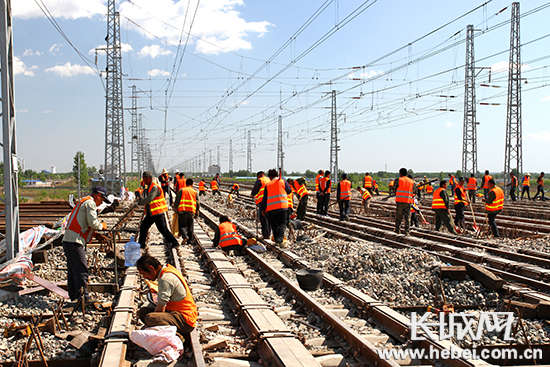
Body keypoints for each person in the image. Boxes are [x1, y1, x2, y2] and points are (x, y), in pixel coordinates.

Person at [62, 186, 109, 302]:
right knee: (81, 270)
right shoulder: (90, 203)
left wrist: (96, 236)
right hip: (75, 241)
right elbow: (93, 223)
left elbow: (82, 225)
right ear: (98, 195)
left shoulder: (84, 202)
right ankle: (83, 298)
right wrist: (102, 226)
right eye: (102, 200)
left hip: (69, 240)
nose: (101, 203)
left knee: (73, 270)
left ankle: (74, 296)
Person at [136, 254, 197, 341]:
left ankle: (177, 335)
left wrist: (150, 324)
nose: (145, 277)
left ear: (151, 268)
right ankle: (169, 329)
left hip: (185, 320)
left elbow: (161, 308)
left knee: (150, 318)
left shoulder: (165, 279)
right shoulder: (167, 269)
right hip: (175, 313)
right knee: (143, 312)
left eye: (144, 274)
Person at [138, 171, 179, 248]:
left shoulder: (154, 187)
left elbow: (149, 199)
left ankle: (174, 242)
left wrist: (139, 202)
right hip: (152, 213)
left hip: (157, 213)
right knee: (143, 227)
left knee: (163, 229)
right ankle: (141, 245)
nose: (143, 181)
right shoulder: (150, 186)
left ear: (148, 178)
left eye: (144, 179)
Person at [261, 169, 291, 246]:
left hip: (271, 209)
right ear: (277, 175)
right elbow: (289, 191)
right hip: (282, 207)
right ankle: (279, 240)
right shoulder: (282, 181)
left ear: (270, 177)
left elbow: (264, 198)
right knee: (282, 223)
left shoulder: (268, 185)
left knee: (274, 225)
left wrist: (263, 209)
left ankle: (277, 240)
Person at [174, 178, 199, 245]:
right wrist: (197, 211)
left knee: (182, 226)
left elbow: (177, 200)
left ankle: (185, 236)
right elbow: (198, 203)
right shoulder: (195, 191)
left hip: (182, 210)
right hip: (191, 211)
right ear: (192, 184)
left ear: (186, 184)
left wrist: (175, 208)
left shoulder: (182, 190)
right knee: (190, 226)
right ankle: (190, 241)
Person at [392, 168, 415, 236]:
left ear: (400, 173)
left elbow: (394, 189)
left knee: (399, 216)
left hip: (399, 201)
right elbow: (415, 191)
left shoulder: (398, 180)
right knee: (407, 217)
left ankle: (397, 229)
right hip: (408, 201)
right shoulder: (412, 181)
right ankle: (407, 231)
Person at [251, 171, 271, 239]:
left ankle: (265, 235)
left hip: (262, 201)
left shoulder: (260, 180)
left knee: (263, 218)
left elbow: (255, 189)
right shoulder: (269, 180)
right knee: (268, 218)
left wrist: (252, 195)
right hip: (270, 200)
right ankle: (268, 233)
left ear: (259, 175)